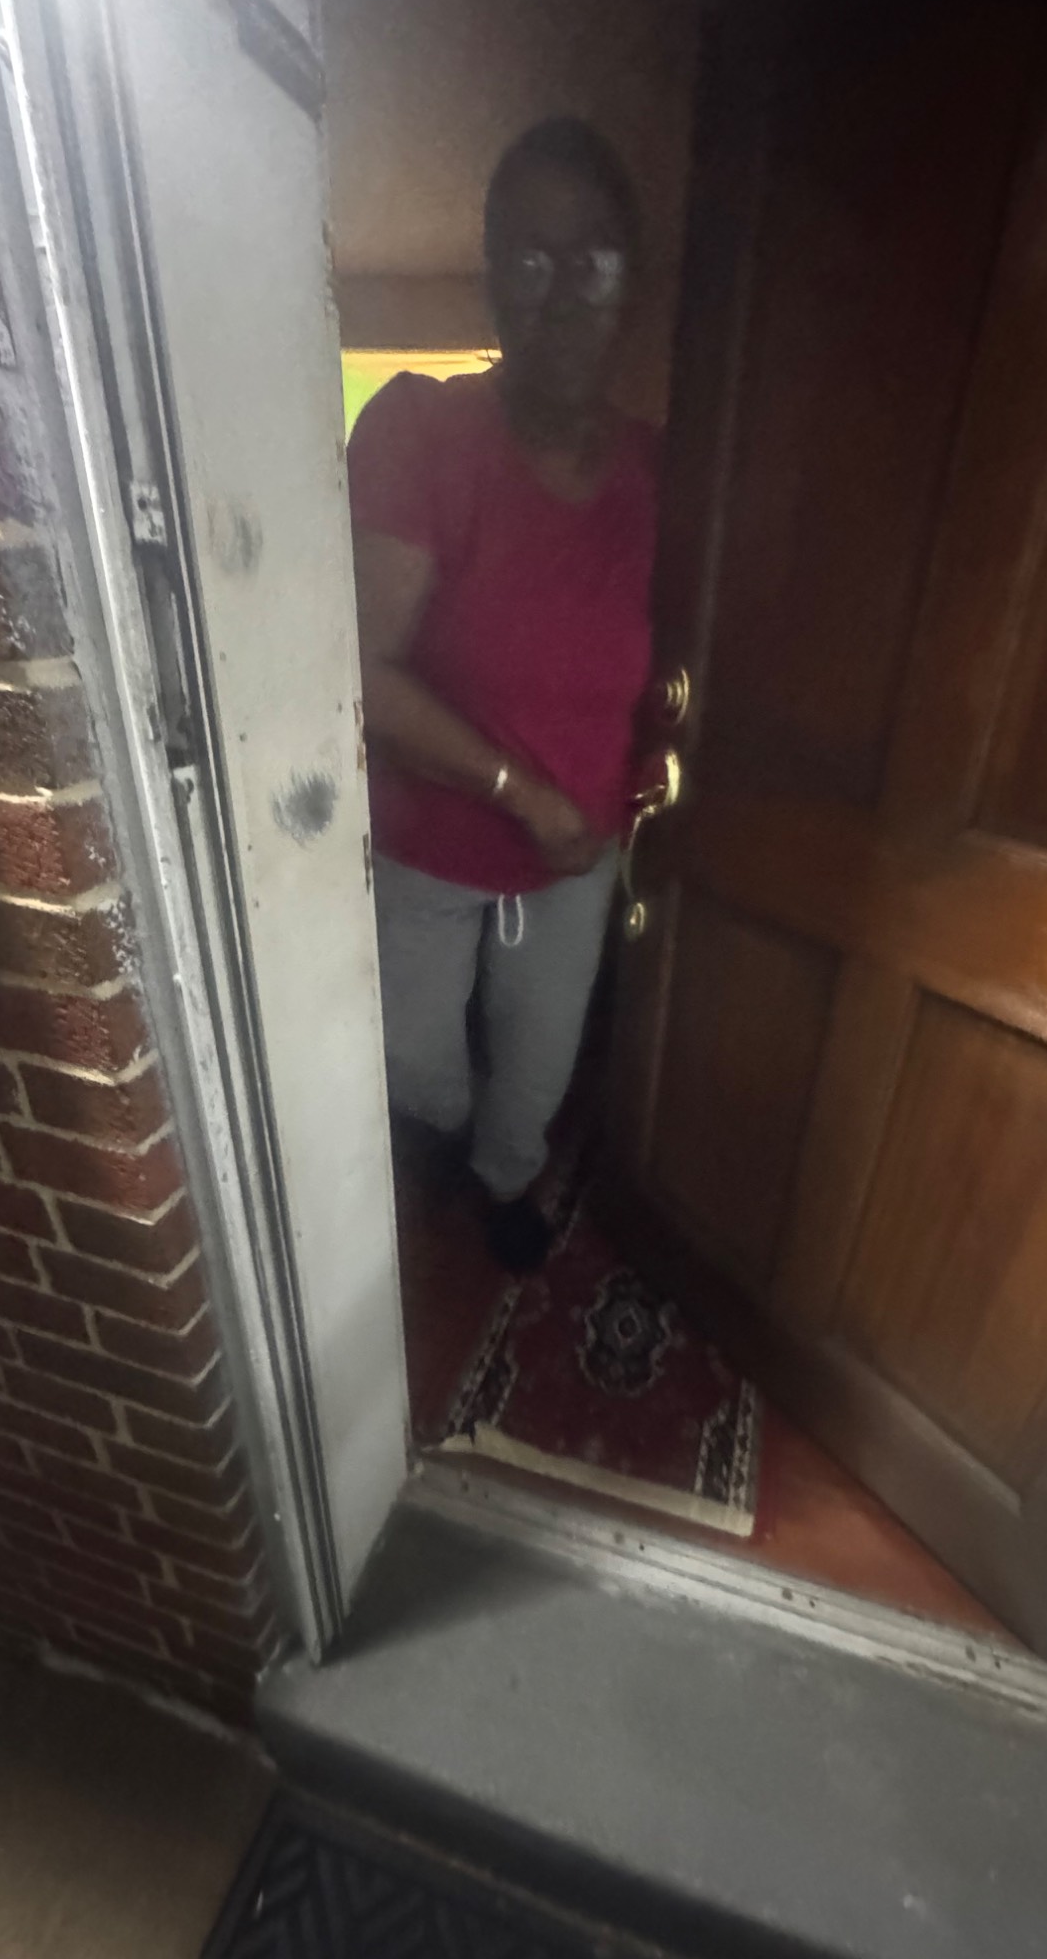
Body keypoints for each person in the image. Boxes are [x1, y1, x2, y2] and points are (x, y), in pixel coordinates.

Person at [348, 117, 657, 1272]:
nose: (561, 292)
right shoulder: (419, 429)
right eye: (528, 258)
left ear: (631, 283)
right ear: (490, 281)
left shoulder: (663, 473)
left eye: (593, 260)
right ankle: (442, 1137)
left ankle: (504, 1176)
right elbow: (365, 673)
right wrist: (524, 793)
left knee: (538, 1061)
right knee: (414, 1057)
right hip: (430, 839)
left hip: (578, 854)